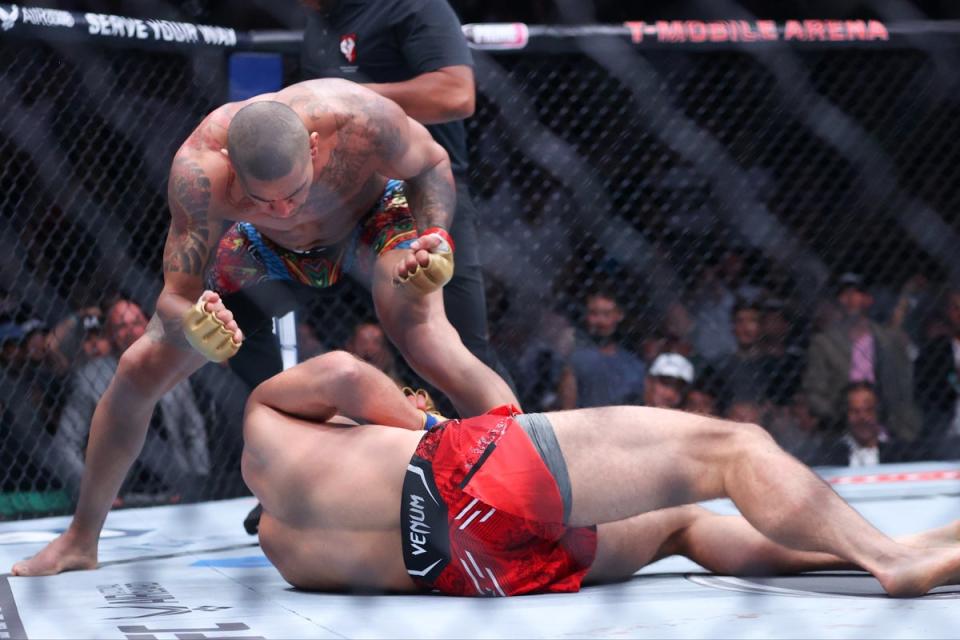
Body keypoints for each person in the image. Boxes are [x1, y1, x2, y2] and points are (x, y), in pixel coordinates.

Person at [11, 76, 516, 577]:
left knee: (424, 334)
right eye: (264, 198)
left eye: (295, 191)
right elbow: (175, 295)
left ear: (315, 147)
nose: (285, 208)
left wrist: (433, 236)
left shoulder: (360, 120)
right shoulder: (200, 170)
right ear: (232, 167)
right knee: (139, 366)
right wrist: (194, 322)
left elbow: (431, 162)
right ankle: (80, 539)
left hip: (372, 219)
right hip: (264, 249)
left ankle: (533, 482)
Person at [238, 351, 960, 598]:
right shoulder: (267, 423)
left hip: (474, 570)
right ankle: (892, 560)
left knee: (681, 527)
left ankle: (909, 543)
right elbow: (339, 371)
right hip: (463, 471)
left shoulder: (289, 554)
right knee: (733, 448)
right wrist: (420, 422)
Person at [296, 0, 508, 384]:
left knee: (460, 349)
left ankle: (511, 442)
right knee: (337, 344)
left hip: (424, 192)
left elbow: (456, 93)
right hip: (345, 197)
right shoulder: (318, 25)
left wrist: (355, 100)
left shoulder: (412, 5)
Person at [52, 297, 210, 501]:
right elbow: (65, 443)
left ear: (148, 325)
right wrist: (93, 495)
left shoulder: (172, 369)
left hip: (176, 490)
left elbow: (194, 429)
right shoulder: (90, 378)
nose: (130, 331)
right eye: (120, 326)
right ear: (110, 336)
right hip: (121, 495)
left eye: (135, 323)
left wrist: (197, 480)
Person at [803, 272, 920, 440]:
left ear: (868, 299)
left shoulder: (889, 339)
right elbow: (814, 392)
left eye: (855, 293)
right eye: (843, 294)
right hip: (841, 429)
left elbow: (904, 385)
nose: (849, 299)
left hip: (890, 424)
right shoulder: (823, 343)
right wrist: (846, 413)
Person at [558, 290, 645, 409]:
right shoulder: (574, 358)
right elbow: (567, 407)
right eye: (594, 313)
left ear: (619, 315)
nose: (600, 321)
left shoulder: (634, 364)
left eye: (606, 314)